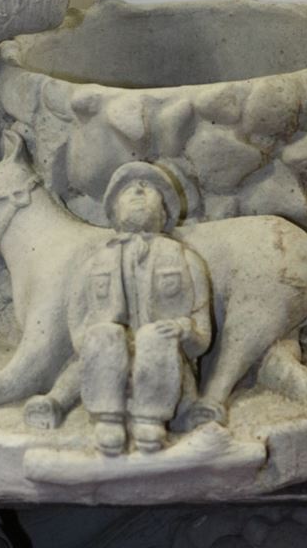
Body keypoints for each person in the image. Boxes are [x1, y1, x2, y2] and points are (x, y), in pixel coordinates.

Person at [67, 161, 212, 455]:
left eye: (148, 188)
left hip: (166, 373)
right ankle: (108, 417)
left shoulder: (186, 261)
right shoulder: (94, 264)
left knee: (155, 335)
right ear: (113, 212)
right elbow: (77, 322)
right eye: (127, 189)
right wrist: (96, 339)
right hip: (105, 369)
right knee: (105, 333)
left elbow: (202, 335)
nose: (137, 191)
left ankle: (150, 418)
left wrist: (183, 329)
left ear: (165, 212)